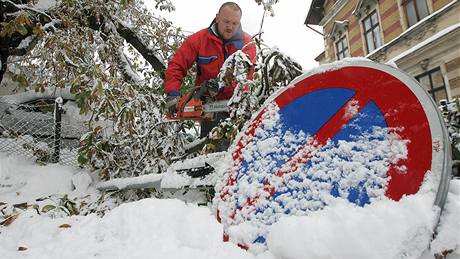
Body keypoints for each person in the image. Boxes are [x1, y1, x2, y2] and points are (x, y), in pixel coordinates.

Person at [164, 2, 256, 139]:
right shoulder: (200, 40)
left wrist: (220, 86)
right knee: (211, 148)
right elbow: (177, 64)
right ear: (217, 18)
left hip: (237, 105)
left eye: (235, 23)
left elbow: (244, 77)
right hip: (210, 106)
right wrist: (172, 92)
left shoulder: (247, 44)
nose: (230, 27)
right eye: (226, 22)